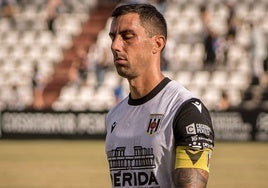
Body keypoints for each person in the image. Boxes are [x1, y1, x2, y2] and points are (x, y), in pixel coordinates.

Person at [105, 3, 214, 188]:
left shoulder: (185, 110)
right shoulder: (114, 115)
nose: (115, 45)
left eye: (127, 37)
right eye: (113, 37)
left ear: (157, 43)